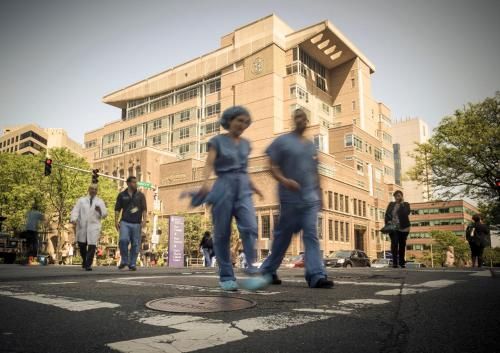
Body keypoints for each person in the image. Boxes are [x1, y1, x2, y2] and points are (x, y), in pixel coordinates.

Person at [190, 106, 266, 291]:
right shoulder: (217, 141)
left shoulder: (246, 144)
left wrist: (254, 187)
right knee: (222, 234)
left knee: (250, 228)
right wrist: (205, 183)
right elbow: (209, 164)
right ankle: (226, 276)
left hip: (243, 190)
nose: (242, 125)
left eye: (245, 122)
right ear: (229, 120)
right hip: (223, 186)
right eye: (239, 120)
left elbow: (244, 169)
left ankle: (250, 266)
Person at [260, 109, 333, 289]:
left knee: (311, 235)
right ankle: (268, 270)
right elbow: (270, 165)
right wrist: (284, 180)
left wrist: (320, 194)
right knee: (283, 237)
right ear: (293, 120)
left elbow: (315, 172)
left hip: (310, 199)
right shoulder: (282, 141)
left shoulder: (310, 146)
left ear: (307, 121)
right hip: (289, 199)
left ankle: (316, 276)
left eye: (303, 117)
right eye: (297, 117)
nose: (300, 120)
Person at [70, 184, 108, 271]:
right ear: (88, 190)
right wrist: (74, 219)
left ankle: (88, 264)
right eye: (92, 189)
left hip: (94, 226)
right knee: (82, 244)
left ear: (97, 191)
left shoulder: (100, 201)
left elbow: (105, 214)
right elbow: (75, 210)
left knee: (92, 245)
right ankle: (84, 260)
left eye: (95, 189)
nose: (93, 191)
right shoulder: (81, 200)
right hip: (82, 225)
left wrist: (100, 210)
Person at [115, 176, 147, 271]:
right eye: (133, 182)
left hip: (137, 223)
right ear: (128, 183)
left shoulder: (141, 195)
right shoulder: (121, 195)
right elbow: (117, 209)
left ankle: (132, 263)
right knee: (123, 241)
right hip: (125, 222)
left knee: (135, 244)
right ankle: (124, 260)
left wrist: (144, 220)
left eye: (136, 182)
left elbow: (144, 209)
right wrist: (115, 221)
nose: (135, 184)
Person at [384, 191, 411, 268]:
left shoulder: (406, 204)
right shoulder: (391, 204)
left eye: (398, 196)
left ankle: (402, 262)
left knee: (402, 245)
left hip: (403, 228)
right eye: (395, 196)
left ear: (402, 196)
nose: (397, 197)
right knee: (394, 244)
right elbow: (386, 214)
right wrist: (387, 223)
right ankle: (395, 262)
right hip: (393, 227)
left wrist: (402, 203)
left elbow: (406, 213)